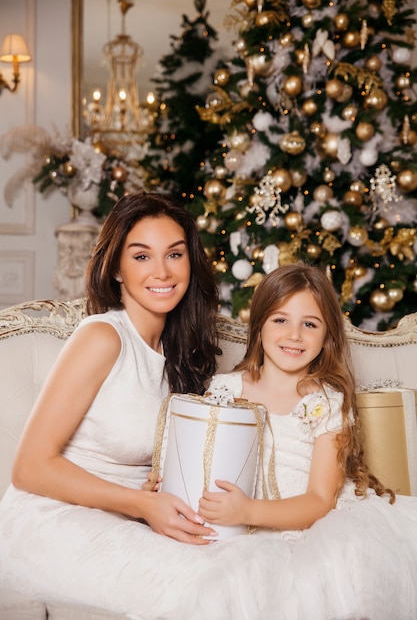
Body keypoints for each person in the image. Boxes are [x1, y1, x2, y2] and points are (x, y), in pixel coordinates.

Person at [0, 192, 278, 620]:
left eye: (175, 254)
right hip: (51, 522)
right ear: (116, 268)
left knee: (244, 569)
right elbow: (30, 467)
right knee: (198, 587)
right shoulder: (103, 337)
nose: (162, 271)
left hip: (125, 519)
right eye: (142, 256)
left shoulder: (184, 353)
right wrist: (141, 505)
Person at [201, 262, 417, 620]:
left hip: (314, 526)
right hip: (241, 528)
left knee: (332, 582)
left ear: (327, 335)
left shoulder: (326, 402)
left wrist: (250, 511)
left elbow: (320, 500)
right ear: (259, 327)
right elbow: (201, 459)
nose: (295, 335)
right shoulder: (225, 390)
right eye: (280, 319)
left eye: (310, 324)